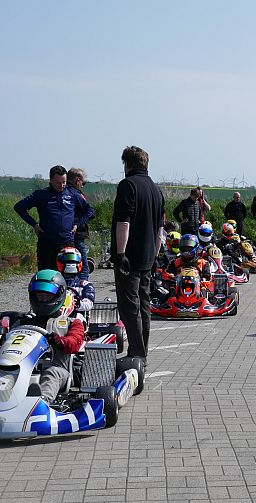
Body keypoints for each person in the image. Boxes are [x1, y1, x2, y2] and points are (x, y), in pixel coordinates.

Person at [111, 146, 165, 364]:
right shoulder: (156, 190)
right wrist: (155, 255)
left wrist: (120, 253)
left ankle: (137, 355)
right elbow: (160, 229)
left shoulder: (127, 185)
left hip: (130, 256)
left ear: (128, 164)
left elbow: (124, 222)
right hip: (148, 255)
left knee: (129, 306)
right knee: (144, 305)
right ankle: (141, 350)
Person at [20, 270, 86, 403]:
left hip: (58, 369)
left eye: (47, 296)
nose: (43, 300)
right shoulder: (24, 321)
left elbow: (74, 343)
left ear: (59, 296)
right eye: (39, 296)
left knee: (51, 374)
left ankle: (40, 404)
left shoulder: (71, 322)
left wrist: (59, 341)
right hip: (23, 368)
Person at [14, 165, 94, 271]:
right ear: (51, 180)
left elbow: (89, 211)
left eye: (64, 182)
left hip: (67, 243)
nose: (62, 185)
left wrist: (77, 224)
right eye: (58, 182)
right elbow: (19, 207)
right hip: (47, 244)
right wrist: (34, 224)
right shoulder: (41, 194)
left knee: (68, 277)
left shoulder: (73, 194)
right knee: (47, 278)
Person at [67, 167, 96, 275]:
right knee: (83, 267)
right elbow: (91, 212)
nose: (83, 185)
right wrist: (78, 223)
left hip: (63, 235)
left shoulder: (62, 193)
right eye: (83, 182)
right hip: (77, 235)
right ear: (78, 180)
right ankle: (84, 289)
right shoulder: (77, 194)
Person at [55, 247, 96, 312]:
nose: (71, 262)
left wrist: (76, 304)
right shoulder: (55, 283)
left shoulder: (85, 285)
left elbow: (89, 304)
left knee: (78, 318)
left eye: (73, 259)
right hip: (55, 315)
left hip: (76, 315)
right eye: (67, 259)